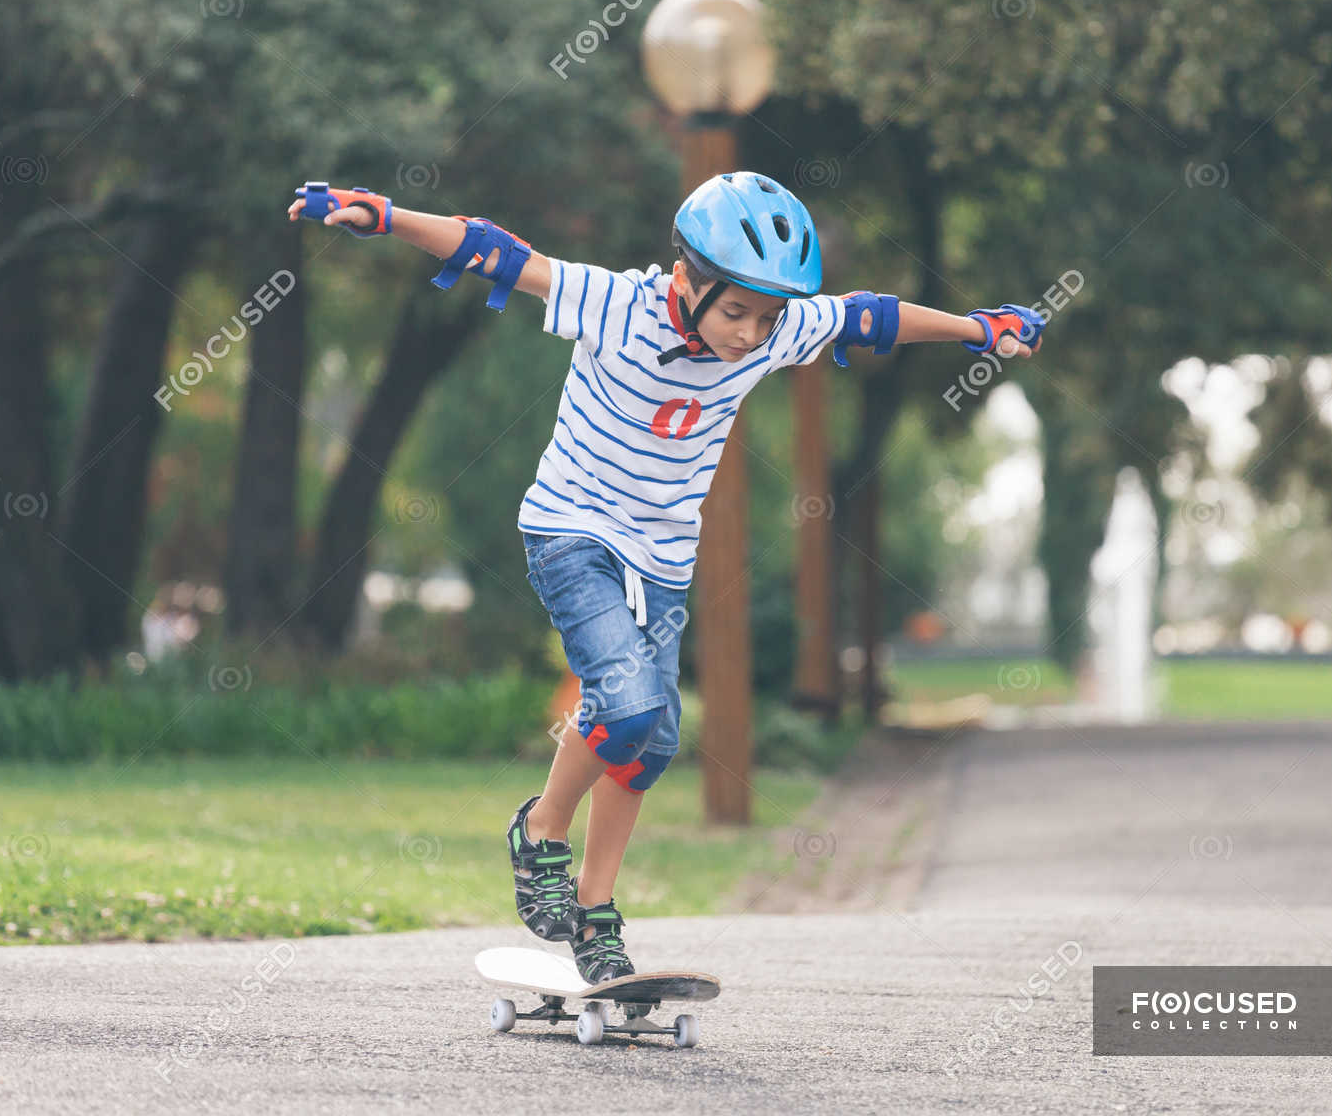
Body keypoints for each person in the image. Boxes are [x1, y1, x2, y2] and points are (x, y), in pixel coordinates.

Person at [289, 173, 1046, 981]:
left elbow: (870, 316)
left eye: (767, 317)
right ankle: (541, 829)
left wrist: (976, 327)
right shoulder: (617, 305)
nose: (752, 335)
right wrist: (383, 216)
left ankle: (595, 912)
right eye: (736, 313)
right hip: (570, 532)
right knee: (632, 704)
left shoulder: (775, 325)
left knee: (647, 742)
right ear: (686, 281)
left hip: (664, 557)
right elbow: (500, 256)